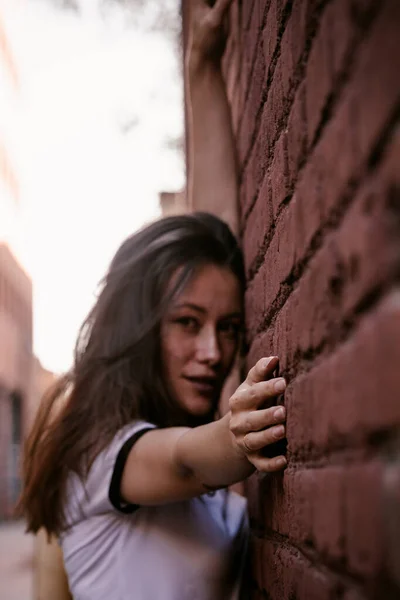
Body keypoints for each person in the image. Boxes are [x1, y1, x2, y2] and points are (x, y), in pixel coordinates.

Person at [19, 2, 288, 598]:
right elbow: (192, 459)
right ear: (139, 331)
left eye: (228, 327)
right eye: (186, 323)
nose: (213, 351)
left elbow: (218, 233)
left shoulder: (183, 413)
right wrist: (239, 433)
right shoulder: (105, 456)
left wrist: (202, 68)